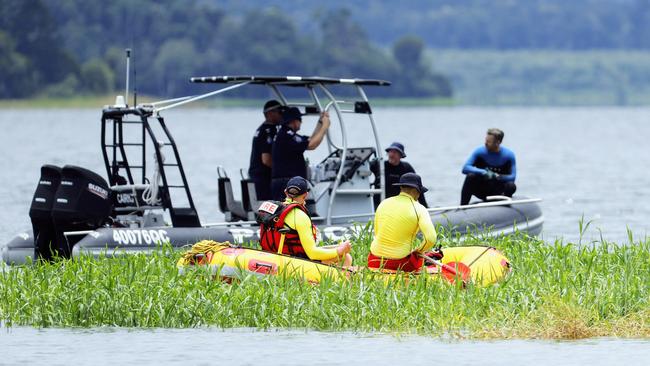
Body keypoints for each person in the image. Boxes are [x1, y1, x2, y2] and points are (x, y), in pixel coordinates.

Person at [257, 176, 352, 267]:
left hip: (271, 257)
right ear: (306, 195)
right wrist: (339, 251)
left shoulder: (275, 212)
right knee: (346, 257)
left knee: (333, 250)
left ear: (286, 192)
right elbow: (312, 254)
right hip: (294, 262)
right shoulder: (300, 216)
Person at [367, 173, 437, 272]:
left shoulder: (384, 203)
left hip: (373, 260)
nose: (419, 195)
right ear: (415, 191)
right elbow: (431, 239)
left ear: (401, 188)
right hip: (399, 263)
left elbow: (377, 232)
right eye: (419, 192)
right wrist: (418, 252)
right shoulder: (419, 208)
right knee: (420, 259)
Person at [270, 107, 330, 200]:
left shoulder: (286, 133)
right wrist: (325, 127)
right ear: (294, 121)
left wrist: (320, 122)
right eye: (300, 120)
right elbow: (312, 145)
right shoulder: (286, 136)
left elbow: (309, 140)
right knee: (291, 213)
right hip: (287, 183)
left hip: (285, 182)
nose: (301, 123)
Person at [460, 128, 517, 205]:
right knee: (471, 176)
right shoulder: (479, 151)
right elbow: (465, 168)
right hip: (482, 190)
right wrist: (484, 172)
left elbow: (513, 177)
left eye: (488, 142)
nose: (485, 143)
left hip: (498, 191)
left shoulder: (509, 155)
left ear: (498, 142)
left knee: (511, 186)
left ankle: (505, 206)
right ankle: (463, 206)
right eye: (486, 140)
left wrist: (497, 176)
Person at [370, 142, 428, 208]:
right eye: (390, 152)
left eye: (394, 152)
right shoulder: (380, 166)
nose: (391, 155)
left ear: (401, 155)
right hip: (378, 206)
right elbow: (364, 170)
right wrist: (370, 164)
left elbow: (417, 188)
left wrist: (425, 207)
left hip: (398, 207)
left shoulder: (406, 168)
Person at [248, 100, 284, 200]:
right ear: (269, 113)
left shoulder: (262, 129)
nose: (282, 115)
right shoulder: (268, 131)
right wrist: (283, 170)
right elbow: (266, 159)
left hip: (257, 176)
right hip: (262, 179)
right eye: (280, 111)